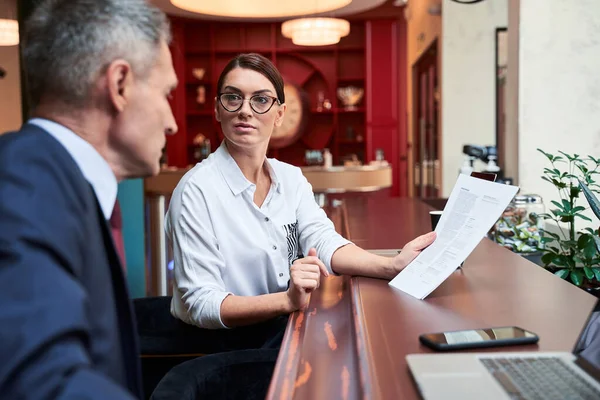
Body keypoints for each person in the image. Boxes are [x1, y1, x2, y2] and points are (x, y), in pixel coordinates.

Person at [166, 53, 436, 332]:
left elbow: (322, 240)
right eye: (233, 98)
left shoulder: (290, 178)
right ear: (217, 109)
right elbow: (201, 303)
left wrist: (391, 266)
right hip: (223, 342)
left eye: (260, 100)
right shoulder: (195, 191)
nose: (245, 110)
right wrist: (286, 301)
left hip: (283, 328)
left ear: (279, 113)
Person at [0, 0, 177, 398]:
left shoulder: (55, 181)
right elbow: (41, 383)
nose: (172, 121)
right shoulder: (23, 182)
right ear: (119, 85)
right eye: (167, 93)